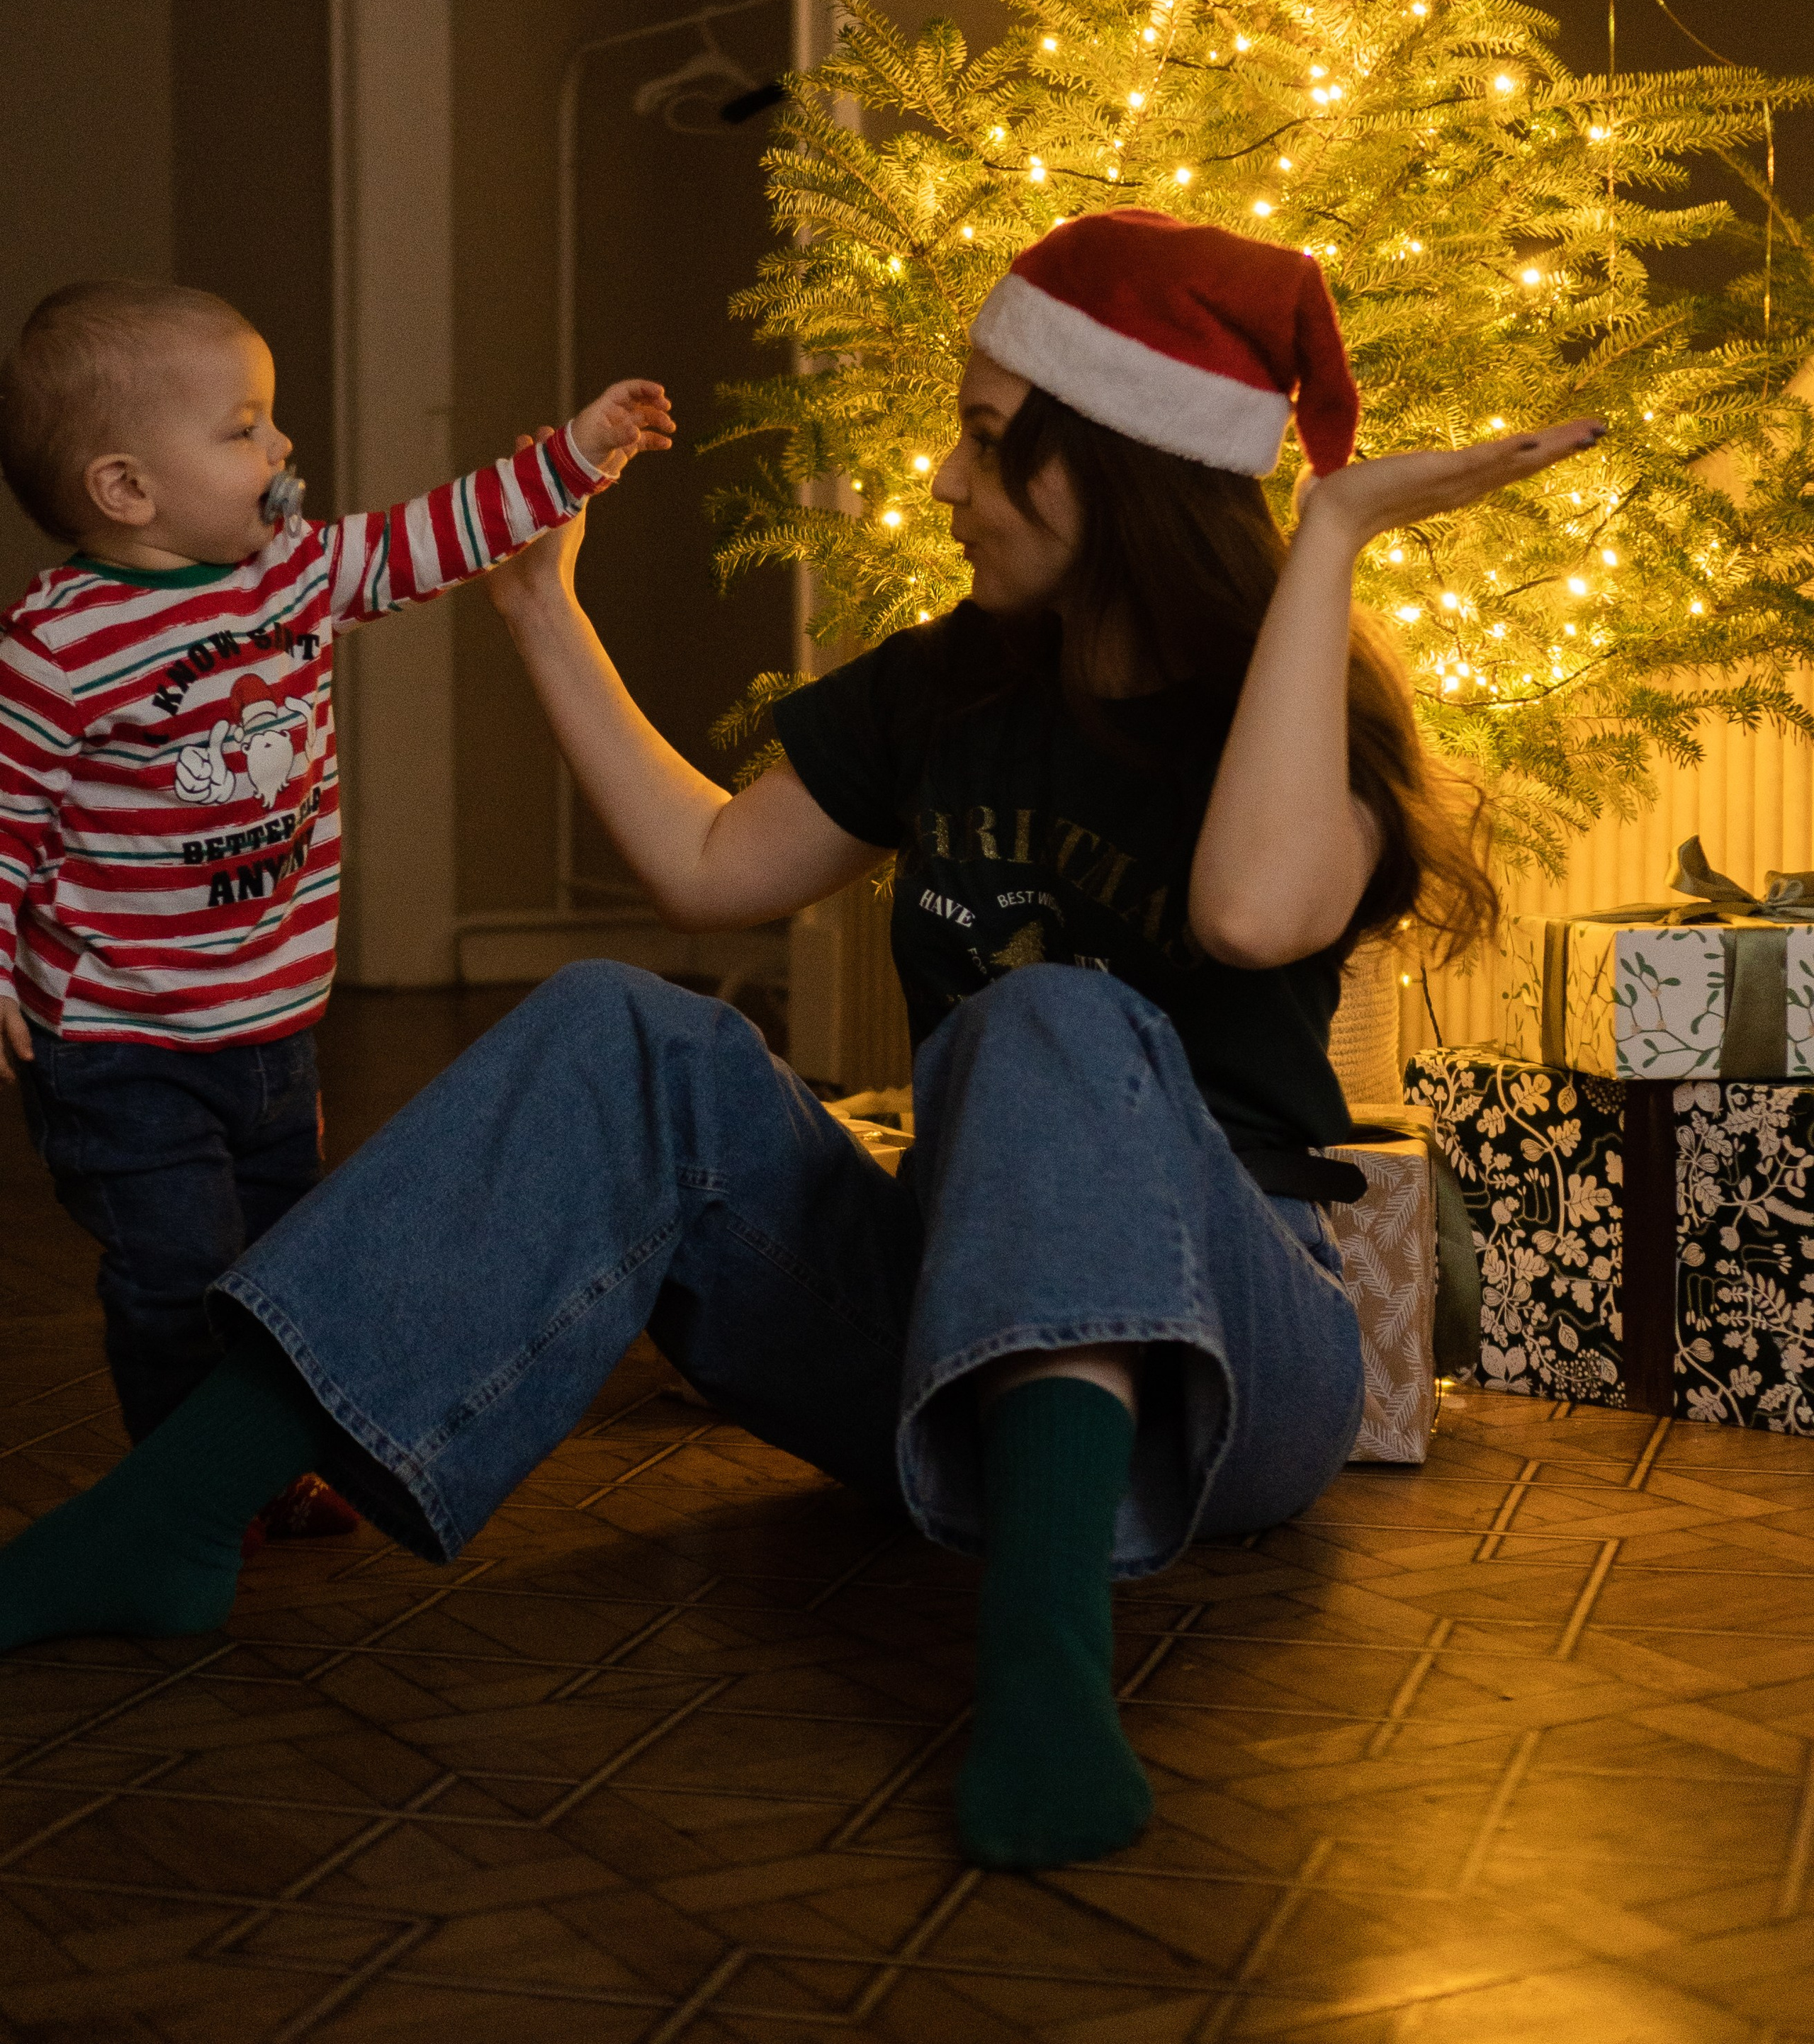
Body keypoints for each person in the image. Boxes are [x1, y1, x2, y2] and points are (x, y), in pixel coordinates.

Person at [0, 215, 1601, 1870]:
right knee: (621, 1024)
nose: (940, 482)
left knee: (1044, 1012)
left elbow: (1254, 919)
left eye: (985, 442)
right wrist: (541, 608)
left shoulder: (1290, 709)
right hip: (935, 1345)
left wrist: (1325, 531)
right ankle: (171, 1523)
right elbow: (709, 874)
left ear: (1114, 472)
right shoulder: (949, 689)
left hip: (1232, 1377)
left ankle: (1043, 1662)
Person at [0, 278, 672, 1535]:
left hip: (270, 1026)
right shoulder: (58, 647)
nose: (282, 449)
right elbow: (7, 820)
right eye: (244, 427)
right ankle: (185, 1494)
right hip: (122, 1048)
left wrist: (573, 456)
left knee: (283, 1272)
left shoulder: (296, 572)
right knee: (172, 1277)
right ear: (126, 491)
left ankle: (266, 1461)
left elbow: (436, 537)